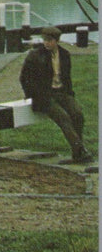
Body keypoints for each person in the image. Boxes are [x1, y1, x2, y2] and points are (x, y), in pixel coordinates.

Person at [19, 26, 92, 163]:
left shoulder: (64, 55)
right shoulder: (35, 56)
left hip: (61, 92)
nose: (47, 43)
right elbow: (24, 78)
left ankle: (78, 152)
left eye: (50, 40)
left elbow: (67, 78)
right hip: (44, 96)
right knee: (63, 118)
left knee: (77, 114)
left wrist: (70, 95)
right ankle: (80, 151)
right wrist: (32, 95)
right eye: (45, 40)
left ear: (57, 40)